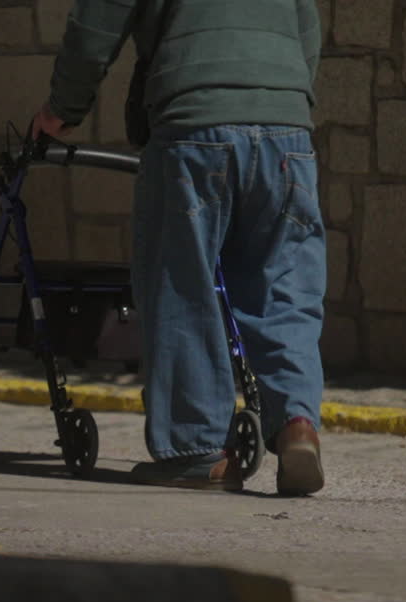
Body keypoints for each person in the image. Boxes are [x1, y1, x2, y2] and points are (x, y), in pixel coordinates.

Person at [33, 0, 326, 496]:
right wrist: (280, 100)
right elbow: (307, 27)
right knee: (284, 283)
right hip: (285, 125)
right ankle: (298, 421)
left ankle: (197, 452)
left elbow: (95, 23)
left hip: (194, 123)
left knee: (181, 284)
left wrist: (61, 109)